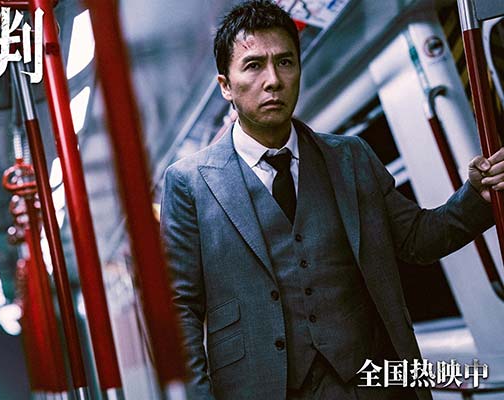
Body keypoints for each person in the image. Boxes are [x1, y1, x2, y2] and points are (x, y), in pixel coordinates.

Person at [160, 1, 503, 399]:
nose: (273, 80)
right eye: (253, 65)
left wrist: (478, 196)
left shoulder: (350, 157)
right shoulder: (189, 183)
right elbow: (180, 308)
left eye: (285, 62)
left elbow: (417, 239)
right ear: (225, 85)